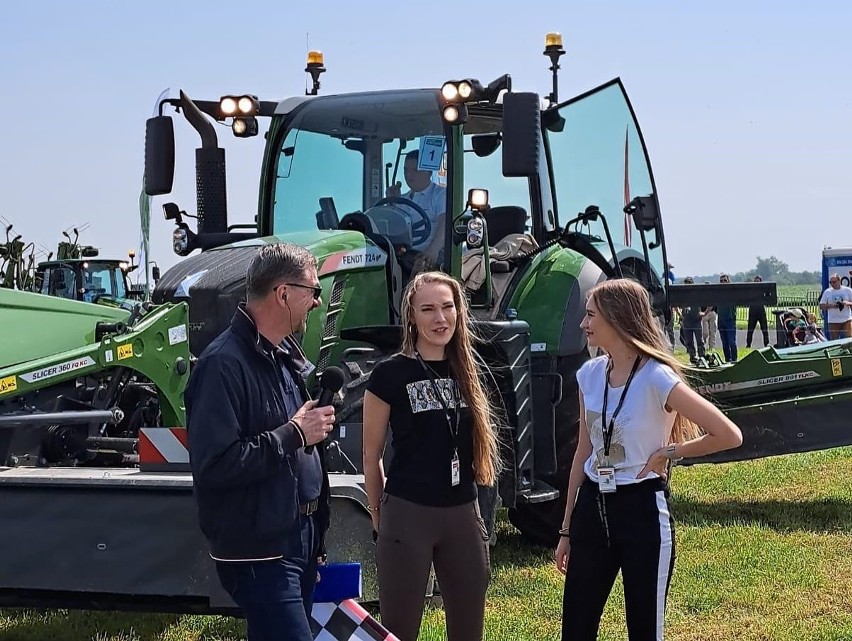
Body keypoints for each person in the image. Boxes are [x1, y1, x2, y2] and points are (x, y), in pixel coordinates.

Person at [555, 278, 743, 641]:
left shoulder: (657, 378)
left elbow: (728, 434)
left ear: (616, 318)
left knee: (644, 630)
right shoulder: (589, 375)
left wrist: (669, 452)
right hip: (592, 510)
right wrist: (565, 529)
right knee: (575, 630)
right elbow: (584, 451)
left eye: (590, 315)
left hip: (641, 511)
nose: (583, 324)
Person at [185, 243, 335, 641]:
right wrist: (295, 434)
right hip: (260, 550)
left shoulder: (281, 357)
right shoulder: (223, 365)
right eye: (314, 291)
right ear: (284, 293)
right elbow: (216, 464)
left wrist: (314, 531)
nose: (317, 303)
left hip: (295, 540)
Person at [362, 271, 500, 641]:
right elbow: (371, 452)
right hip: (408, 513)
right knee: (399, 631)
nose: (440, 319)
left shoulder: (468, 369)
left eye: (447, 307)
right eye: (428, 309)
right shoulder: (389, 374)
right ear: (411, 316)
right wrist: (378, 515)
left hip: (462, 513)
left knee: (469, 630)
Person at [387, 149, 447, 272]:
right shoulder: (401, 200)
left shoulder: (439, 194)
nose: (409, 175)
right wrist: (391, 202)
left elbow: (445, 222)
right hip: (401, 254)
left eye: (415, 170)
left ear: (429, 172)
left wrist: (432, 251)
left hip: (428, 256)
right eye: (406, 170)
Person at [679, 277, 705, 365]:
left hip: (696, 320)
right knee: (689, 341)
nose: (688, 285)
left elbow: (708, 302)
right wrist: (680, 316)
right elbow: (675, 305)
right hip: (687, 320)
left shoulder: (697, 294)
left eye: (689, 283)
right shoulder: (682, 295)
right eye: (686, 283)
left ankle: (702, 357)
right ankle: (692, 357)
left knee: (699, 340)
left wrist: (704, 313)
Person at [819, 273, 852, 339]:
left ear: (839, 281)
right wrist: (832, 306)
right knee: (834, 341)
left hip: (847, 320)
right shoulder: (827, 292)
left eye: (834, 282)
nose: (832, 284)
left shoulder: (848, 290)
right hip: (833, 321)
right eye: (830, 282)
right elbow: (821, 306)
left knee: (849, 339)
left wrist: (847, 303)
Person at [716, 273, 738, 363]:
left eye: (725, 280)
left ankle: (734, 360)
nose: (723, 282)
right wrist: (705, 313)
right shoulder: (718, 293)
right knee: (725, 344)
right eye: (721, 281)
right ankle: (727, 360)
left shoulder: (732, 292)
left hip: (730, 320)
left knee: (731, 342)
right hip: (721, 320)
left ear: (728, 281)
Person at [746, 275, 771, 349]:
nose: (756, 282)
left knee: (764, 329)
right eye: (755, 281)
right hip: (753, 310)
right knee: (750, 329)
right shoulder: (751, 290)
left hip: (761, 310)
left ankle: (766, 344)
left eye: (758, 281)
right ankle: (748, 344)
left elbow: (768, 295)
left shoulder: (762, 288)